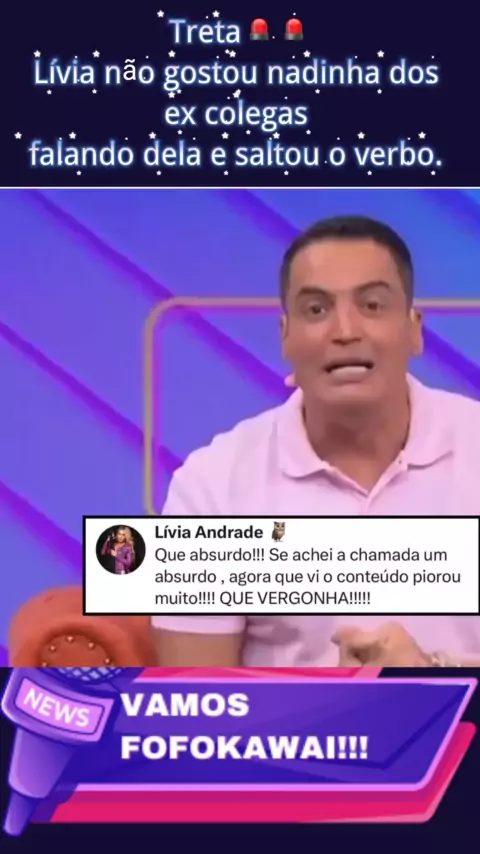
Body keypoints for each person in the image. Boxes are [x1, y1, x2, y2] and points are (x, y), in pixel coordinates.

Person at [153, 215, 480, 668]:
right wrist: (331, 698)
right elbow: (198, 698)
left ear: (414, 329)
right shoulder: (212, 486)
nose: (345, 331)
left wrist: (432, 676)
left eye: (372, 305)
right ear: (285, 337)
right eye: (316, 310)